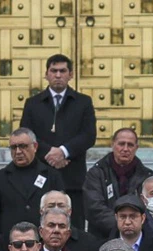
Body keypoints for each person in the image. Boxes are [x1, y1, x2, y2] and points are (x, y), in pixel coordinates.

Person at [18, 54, 98, 228]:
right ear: (46, 74)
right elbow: (26, 135)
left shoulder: (83, 102)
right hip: (41, 174)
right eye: (54, 71)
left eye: (63, 71)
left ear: (71, 74)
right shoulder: (33, 103)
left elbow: (88, 135)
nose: (58, 75)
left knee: (73, 226)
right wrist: (49, 153)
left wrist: (63, 151)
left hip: (72, 175)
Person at [0, 128, 65, 251]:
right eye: (13, 147)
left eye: (23, 146)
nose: (18, 151)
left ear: (35, 146)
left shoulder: (51, 176)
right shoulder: (0, 178)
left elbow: (62, 212)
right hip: (9, 249)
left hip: (44, 248)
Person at [83, 128, 153, 237]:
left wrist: (131, 226)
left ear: (136, 148)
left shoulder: (148, 176)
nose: (125, 149)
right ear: (112, 144)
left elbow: (151, 210)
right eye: (121, 144)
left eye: (130, 145)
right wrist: (124, 225)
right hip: (102, 238)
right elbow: (94, 208)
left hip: (138, 238)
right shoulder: (96, 173)